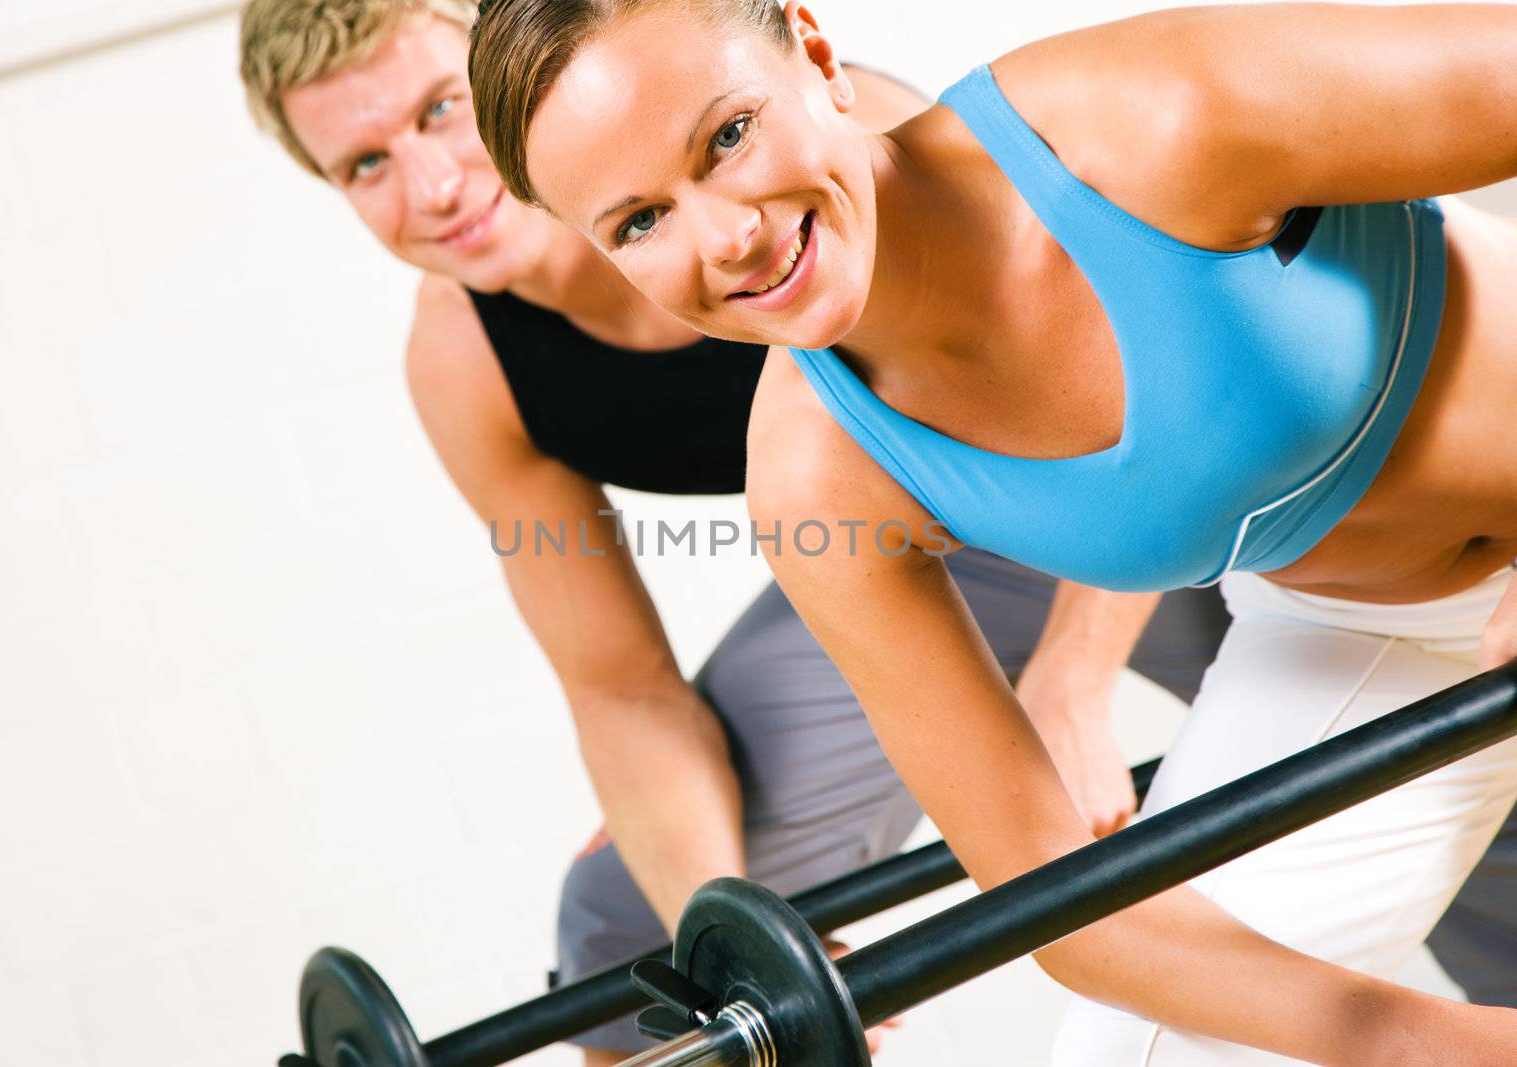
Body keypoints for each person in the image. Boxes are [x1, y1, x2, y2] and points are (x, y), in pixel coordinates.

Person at [467, 0, 1517, 1062]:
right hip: (1362, 629)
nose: (725, 235)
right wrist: (1426, 1043)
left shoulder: (1134, 124)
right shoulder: (817, 474)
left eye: (727, 135)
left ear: (816, 54)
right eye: (638, 221)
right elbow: (1067, 905)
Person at [237, 1, 1246, 1060]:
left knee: (1406, 706)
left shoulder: (822, 144)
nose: (433, 185)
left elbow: (1138, 375)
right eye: (363, 164)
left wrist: (1073, 684)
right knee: (627, 930)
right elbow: (617, 683)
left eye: (442, 109)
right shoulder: (464, 362)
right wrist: (727, 924)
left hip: (1123, 464)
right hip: (896, 563)